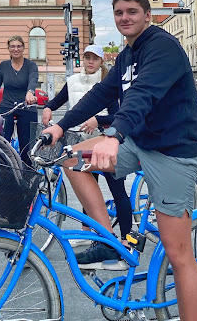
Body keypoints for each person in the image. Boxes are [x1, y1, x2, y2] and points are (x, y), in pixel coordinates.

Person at [43, 0, 197, 321]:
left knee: (179, 254)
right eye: (119, 13)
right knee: (70, 158)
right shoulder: (127, 55)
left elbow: (142, 95)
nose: (125, 18)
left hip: (173, 153)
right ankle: (108, 239)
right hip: (140, 144)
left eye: (132, 11)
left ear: (147, 15)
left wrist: (113, 134)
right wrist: (60, 127)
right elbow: (102, 92)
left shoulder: (162, 47)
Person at [42, 44, 132, 252]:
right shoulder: (73, 81)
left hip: (106, 141)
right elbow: (59, 100)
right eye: (87, 58)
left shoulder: (107, 83)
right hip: (81, 141)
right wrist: (48, 107)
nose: (90, 62)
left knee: (117, 191)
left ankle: (126, 239)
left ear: (101, 62)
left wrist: (98, 120)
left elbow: (118, 115)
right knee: (88, 191)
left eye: (95, 59)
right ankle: (87, 233)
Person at [0, 35, 38, 166]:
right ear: (8, 48)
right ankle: (4, 174)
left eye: (19, 46)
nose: (16, 49)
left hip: (26, 106)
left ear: (24, 48)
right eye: (12, 46)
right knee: (2, 144)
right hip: (7, 106)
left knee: (27, 148)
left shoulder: (31, 65)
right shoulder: (3, 66)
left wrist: (30, 92)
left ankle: (27, 175)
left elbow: (33, 80)